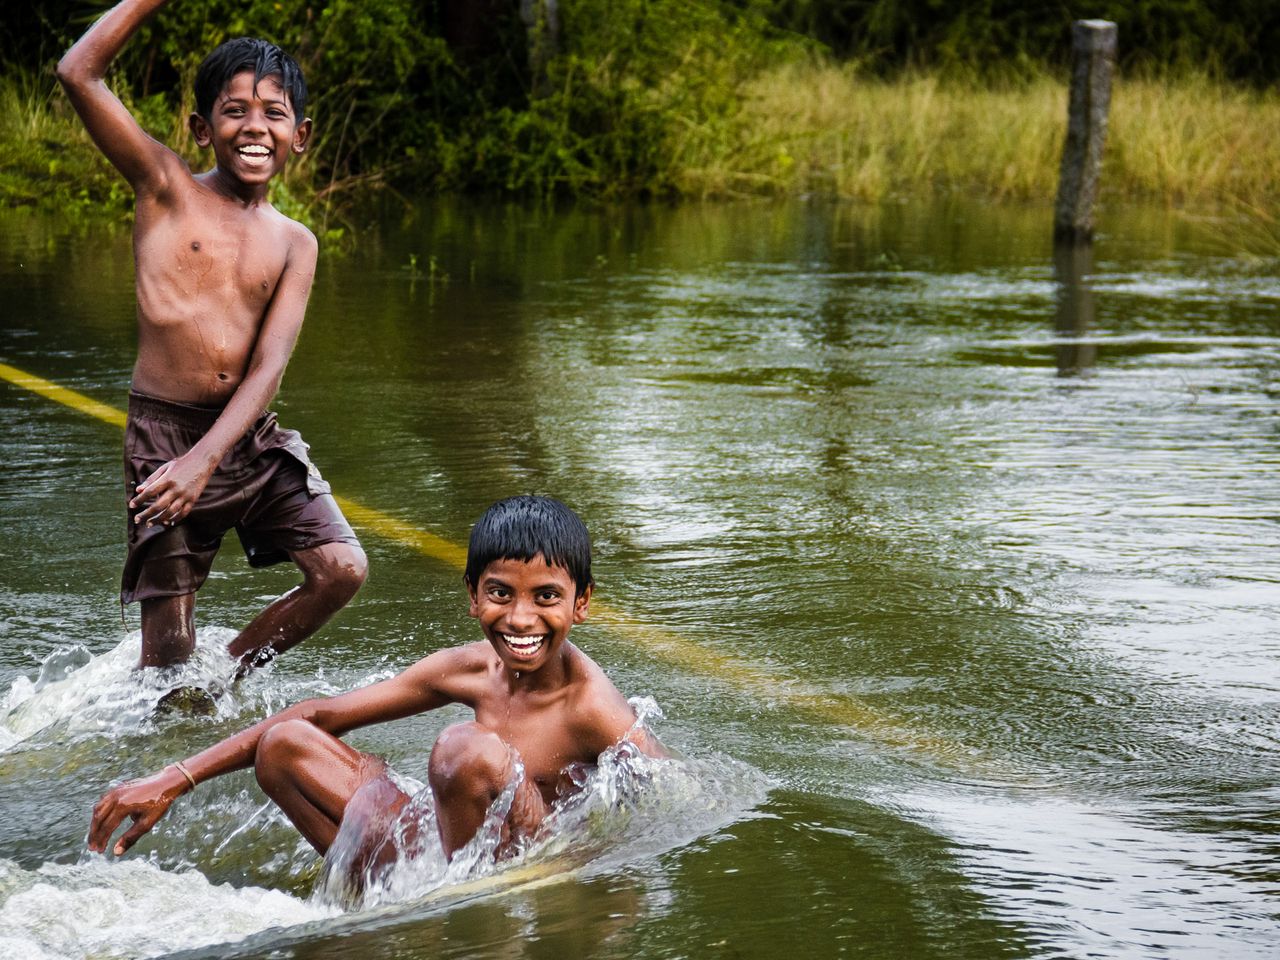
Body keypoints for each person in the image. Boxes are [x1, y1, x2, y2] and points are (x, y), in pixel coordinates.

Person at [88, 496, 666, 871]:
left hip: (527, 863)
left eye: (546, 598)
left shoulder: (593, 708)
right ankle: (377, 896)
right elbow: (317, 714)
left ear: (581, 603)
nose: (519, 619)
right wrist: (176, 777)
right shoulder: (468, 669)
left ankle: (449, 908)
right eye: (500, 594)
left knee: (463, 748)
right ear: (472, 596)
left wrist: (571, 876)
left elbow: (665, 806)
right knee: (285, 745)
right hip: (446, 853)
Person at [56, 0, 366, 671]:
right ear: (201, 128)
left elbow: (269, 367)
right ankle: (175, 705)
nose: (255, 128)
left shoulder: (295, 242)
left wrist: (211, 459)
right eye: (235, 111)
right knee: (167, 651)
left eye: (274, 113)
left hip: (248, 437)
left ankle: (226, 675)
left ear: (301, 135)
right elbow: (79, 73)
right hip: (163, 437)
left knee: (341, 569)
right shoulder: (164, 186)